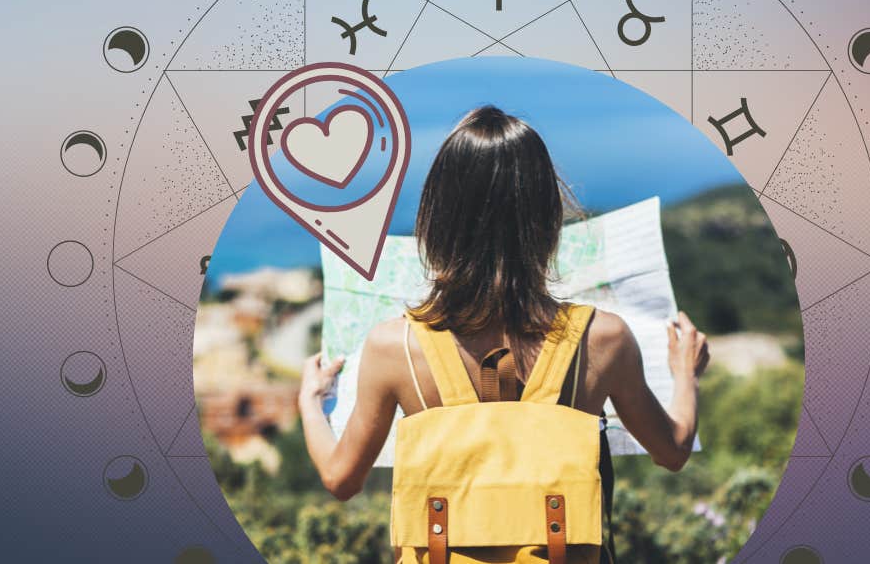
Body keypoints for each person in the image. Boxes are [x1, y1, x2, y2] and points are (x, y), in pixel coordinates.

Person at [298, 106, 709, 562]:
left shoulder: (394, 347)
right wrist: (685, 374)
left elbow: (341, 480)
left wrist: (311, 403)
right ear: (548, 217)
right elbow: (672, 451)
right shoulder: (603, 339)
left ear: (437, 218)